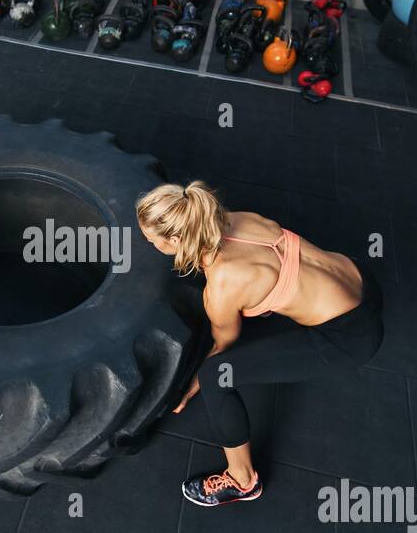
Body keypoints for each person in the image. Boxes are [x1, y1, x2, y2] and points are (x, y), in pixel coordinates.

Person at [136, 181, 385, 506]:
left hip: (350, 338)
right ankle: (267, 303)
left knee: (215, 376)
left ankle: (242, 481)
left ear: (174, 240)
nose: (149, 245)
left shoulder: (223, 285)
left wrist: (193, 383)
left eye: (152, 241)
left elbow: (224, 343)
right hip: (362, 281)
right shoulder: (236, 219)